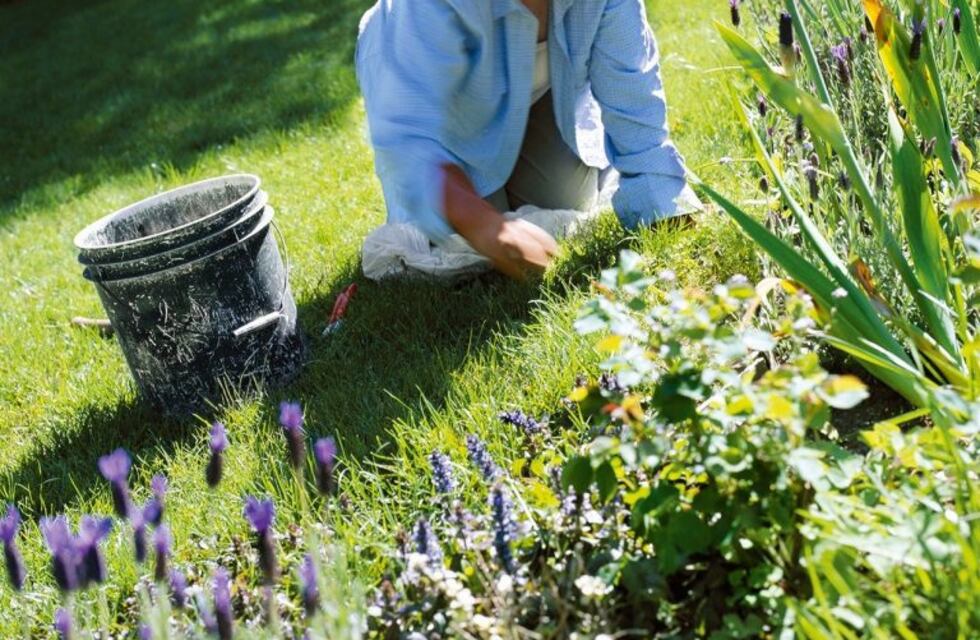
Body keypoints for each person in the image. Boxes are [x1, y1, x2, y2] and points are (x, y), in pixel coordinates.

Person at [355, 0, 699, 280]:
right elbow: (409, 138)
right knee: (461, 243)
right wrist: (483, 223)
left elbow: (635, 102)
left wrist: (664, 211)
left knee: (562, 204)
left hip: (533, 93)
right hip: (436, 106)